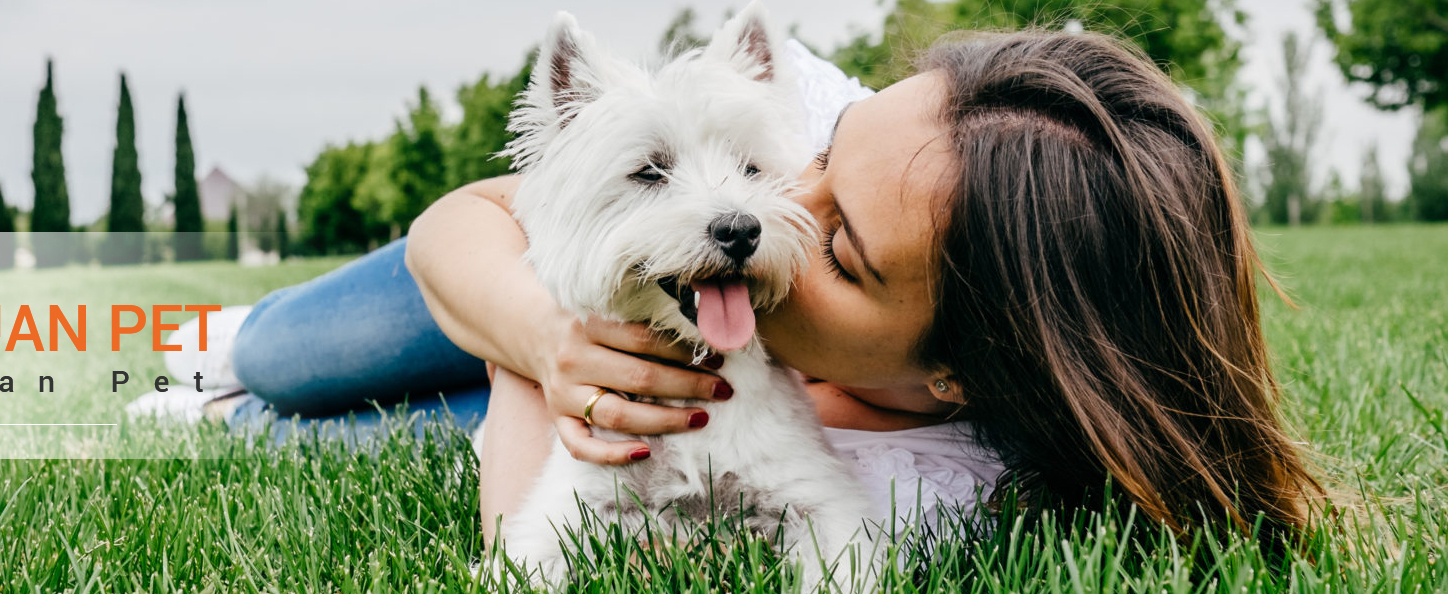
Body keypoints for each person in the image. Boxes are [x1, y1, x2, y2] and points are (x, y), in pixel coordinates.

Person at [132, 30, 1324, 553]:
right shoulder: (774, 126)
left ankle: (221, 415)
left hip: (585, 403)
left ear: (955, 368)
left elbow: (533, 532)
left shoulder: (929, 490)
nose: (779, 207)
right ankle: (224, 339)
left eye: (843, 246)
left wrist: (540, 398)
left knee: (328, 440)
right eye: (827, 152)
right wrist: (543, 337)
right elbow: (469, 221)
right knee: (293, 356)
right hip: (506, 285)